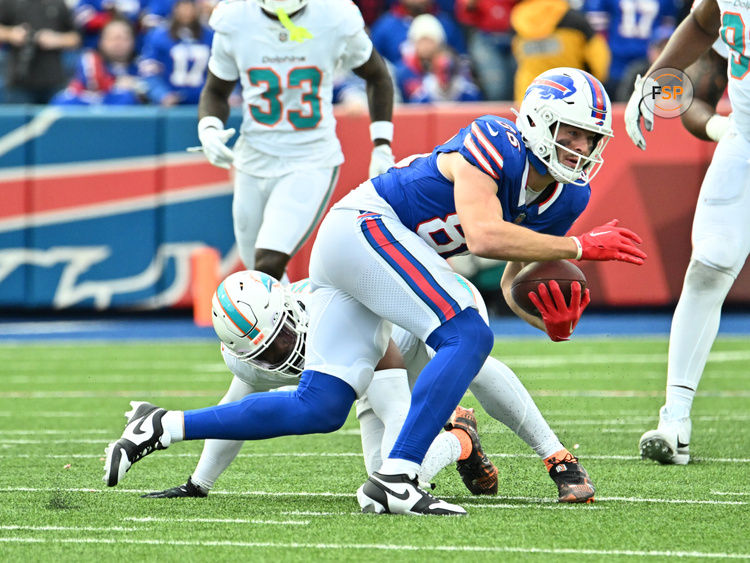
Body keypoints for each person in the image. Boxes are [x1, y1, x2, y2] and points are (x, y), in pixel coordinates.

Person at [104, 67, 647, 516]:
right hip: (366, 226)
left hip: (379, 256)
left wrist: (548, 322)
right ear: (537, 120)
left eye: (590, 139)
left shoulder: (567, 199)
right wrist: (580, 249)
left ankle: (163, 424)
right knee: (467, 333)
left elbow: (513, 275)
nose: (580, 148)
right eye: (571, 133)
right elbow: (482, 234)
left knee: (318, 406)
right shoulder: (495, 139)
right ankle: (398, 477)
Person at [139, 269, 595, 504]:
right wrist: (198, 483)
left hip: (414, 319)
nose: (282, 353)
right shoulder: (253, 362)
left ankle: (559, 459)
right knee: (382, 485)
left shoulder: (323, 311)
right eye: (268, 353)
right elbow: (235, 410)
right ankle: (460, 440)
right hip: (371, 366)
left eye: (281, 335)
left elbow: (390, 384)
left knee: (465, 358)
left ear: (290, 309)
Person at [196, 0, 395, 280]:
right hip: (253, 159)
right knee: (259, 272)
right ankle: (296, 321)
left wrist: (382, 144)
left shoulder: (334, 15)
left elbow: (377, 76)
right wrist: (209, 126)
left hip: (309, 158)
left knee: (268, 262)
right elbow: (216, 90)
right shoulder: (234, 19)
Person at [625, 0, 733, 465]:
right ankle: (676, 419)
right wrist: (653, 80)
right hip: (745, 139)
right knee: (708, 264)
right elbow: (704, 22)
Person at [510, 0, 610, 103]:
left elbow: (515, 54)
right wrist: (594, 84)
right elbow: (598, 58)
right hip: (570, 94)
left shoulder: (518, 19)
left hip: (528, 95)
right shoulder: (575, 20)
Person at [0, 0, 81, 104]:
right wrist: (11, 34)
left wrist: (56, 39)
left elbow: (76, 38)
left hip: (53, 81)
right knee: (19, 118)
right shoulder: (11, 2)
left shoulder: (58, 4)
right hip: (19, 81)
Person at [52, 17, 143, 106]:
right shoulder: (90, 58)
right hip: (91, 109)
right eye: (113, 38)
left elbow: (150, 86)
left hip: (126, 115)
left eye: (124, 38)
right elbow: (93, 83)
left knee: (127, 98)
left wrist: (136, 85)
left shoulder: (142, 64)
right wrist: (116, 83)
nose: (118, 43)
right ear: (101, 41)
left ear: (133, 40)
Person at [137, 0, 212, 106]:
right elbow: (148, 71)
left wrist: (225, 94)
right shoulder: (158, 36)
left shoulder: (211, 36)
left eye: (190, 6)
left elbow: (224, 69)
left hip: (206, 100)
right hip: (171, 103)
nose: (186, 11)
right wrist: (162, 94)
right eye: (182, 6)